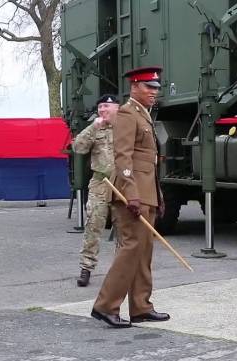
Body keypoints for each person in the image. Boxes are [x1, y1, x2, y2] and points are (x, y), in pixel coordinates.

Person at [90, 66, 169, 328]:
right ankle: (106, 306)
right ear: (134, 87)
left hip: (146, 193)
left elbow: (148, 163)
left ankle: (141, 306)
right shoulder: (126, 113)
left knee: (143, 251)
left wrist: (157, 196)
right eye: (149, 87)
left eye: (156, 87)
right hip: (132, 193)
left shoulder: (143, 114)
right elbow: (123, 157)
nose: (153, 92)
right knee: (131, 249)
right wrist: (132, 195)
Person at [71, 94, 120, 287]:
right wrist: (94, 127)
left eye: (106, 106)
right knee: (93, 227)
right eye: (100, 107)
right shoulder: (95, 128)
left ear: (117, 107)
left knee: (123, 228)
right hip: (100, 184)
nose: (102, 110)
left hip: (121, 185)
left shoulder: (126, 127)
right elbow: (78, 147)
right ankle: (86, 269)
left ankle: (121, 270)